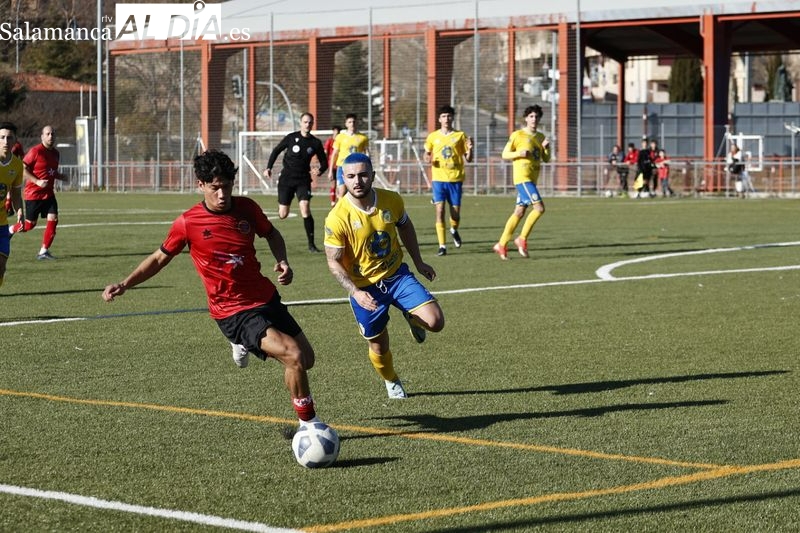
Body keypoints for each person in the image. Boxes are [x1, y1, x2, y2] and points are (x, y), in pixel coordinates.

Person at [102, 149, 326, 431]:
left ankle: (245, 345)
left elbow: (271, 233)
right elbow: (159, 258)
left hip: (264, 297)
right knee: (292, 355)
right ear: (201, 185)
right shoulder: (188, 223)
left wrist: (282, 260)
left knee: (306, 360)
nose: (222, 195)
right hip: (233, 311)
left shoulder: (247, 208)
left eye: (227, 186)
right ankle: (309, 425)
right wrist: (125, 283)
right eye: (215, 188)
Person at [324, 153, 444, 399]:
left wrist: (418, 261)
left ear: (373, 175)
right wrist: (356, 293)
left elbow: (405, 226)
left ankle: (412, 316)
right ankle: (391, 379)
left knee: (435, 322)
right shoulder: (337, 217)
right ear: (343, 179)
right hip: (365, 289)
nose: (357, 181)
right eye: (351, 176)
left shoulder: (391, 200)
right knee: (379, 345)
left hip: (396, 276)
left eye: (363, 174)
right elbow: (333, 262)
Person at [263, 112, 328, 252]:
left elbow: (324, 162)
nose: (308, 124)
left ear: (313, 124)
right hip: (286, 179)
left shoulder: (315, 143)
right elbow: (276, 151)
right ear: (301, 123)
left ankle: (311, 245)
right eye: (305, 122)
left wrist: (320, 170)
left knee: (305, 208)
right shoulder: (291, 138)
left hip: (303, 180)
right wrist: (268, 167)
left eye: (310, 122)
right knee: (283, 214)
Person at [492, 104, 551, 260]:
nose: (534, 119)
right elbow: (505, 154)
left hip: (532, 179)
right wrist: (519, 153)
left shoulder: (539, 137)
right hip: (522, 178)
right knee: (539, 208)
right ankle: (522, 239)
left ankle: (501, 244)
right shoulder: (517, 135)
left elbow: (546, 159)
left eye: (537, 116)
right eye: (531, 116)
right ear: (526, 118)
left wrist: (546, 148)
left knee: (519, 212)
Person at [10, 125, 67, 259]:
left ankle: (43, 251)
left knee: (53, 219)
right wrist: (37, 182)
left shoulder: (56, 153)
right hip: (33, 194)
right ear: (42, 136)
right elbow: (23, 169)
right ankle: (9, 230)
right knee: (29, 225)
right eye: (47, 134)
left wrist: (60, 176)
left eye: (53, 134)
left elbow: (49, 172)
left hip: (49, 194)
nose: (50, 136)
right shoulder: (36, 151)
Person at [424, 105, 473, 256]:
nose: (446, 119)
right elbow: (426, 155)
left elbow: (469, 159)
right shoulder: (433, 137)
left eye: (449, 116)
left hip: (455, 179)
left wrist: (471, 148)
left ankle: (453, 229)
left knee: (455, 214)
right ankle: (442, 246)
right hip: (438, 179)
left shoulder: (460, 136)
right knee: (440, 211)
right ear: (439, 119)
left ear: (452, 118)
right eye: (444, 116)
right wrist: (429, 160)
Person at [0, 122, 25, 290]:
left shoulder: (17, 165)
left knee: (1, 267)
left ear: (15, 140)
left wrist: (20, 211)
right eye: (1, 137)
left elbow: (15, 194)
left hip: (1, 223)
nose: (5, 141)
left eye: (9, 137)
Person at [327, 113, 369, 203]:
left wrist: (368, 166)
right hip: (342, 168)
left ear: (357, 123)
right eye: (349, 122)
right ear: (346, 124)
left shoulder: (363, 138)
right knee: (342, 191)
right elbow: (334, 154)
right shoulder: (340, 137)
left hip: (357, 169)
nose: (352, 124)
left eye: (354, 122)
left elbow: (367, 153)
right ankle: (340, 214)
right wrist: (330, 171)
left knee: (356, 193)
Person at [4, 141, 23, 216]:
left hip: (13, 170)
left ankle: (9, 208)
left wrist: (20, 167)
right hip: (4, 168)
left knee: (13, 191)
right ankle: (9, 208)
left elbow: (22, 157)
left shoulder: (17, 145)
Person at [324, 125, 341, 206]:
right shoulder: (330, 141)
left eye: (338, 132)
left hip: (340, 165)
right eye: (335, 132)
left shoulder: (341, 141)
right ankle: (333, 201)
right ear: (333, 132)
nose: (336, 134)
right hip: (333, 165)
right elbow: (326, 153)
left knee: (341, 184)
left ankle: (340, 199)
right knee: (333, 183)